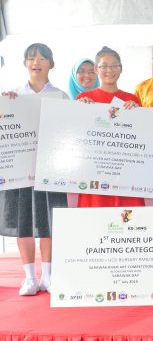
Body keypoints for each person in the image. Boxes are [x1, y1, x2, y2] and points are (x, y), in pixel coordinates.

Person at [0, 43, 69, 295]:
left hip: (51, 170)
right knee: (24, 223)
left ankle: (48, 276)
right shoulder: (12, 96)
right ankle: (29, 277)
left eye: (42, 58)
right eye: (31, 58)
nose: (36, 62)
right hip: (20, 171)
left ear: (51, 63)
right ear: (24, 64)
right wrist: (4, 108)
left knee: (48, 222)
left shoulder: (60, 97)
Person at [76, 46, 145, 208]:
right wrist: (80, 110)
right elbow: (77, 137)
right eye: (104, 66)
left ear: (121, 69)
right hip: (94, 173)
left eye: (114, 66)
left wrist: (137, 113)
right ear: (96, 69)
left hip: (125, 174)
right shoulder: (84, 98)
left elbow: (141, 138)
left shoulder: (132, 100)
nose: (110, 70)